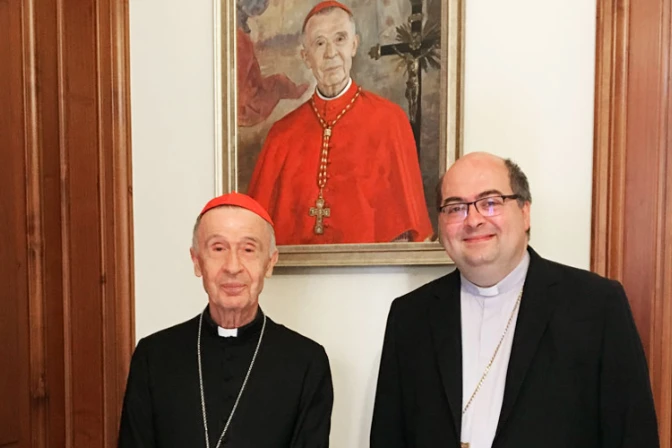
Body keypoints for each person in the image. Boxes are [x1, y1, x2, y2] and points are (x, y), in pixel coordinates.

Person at [370, 152, 659, 448]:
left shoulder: (596, 306)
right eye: (455, 208)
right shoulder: (409, 316)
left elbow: (633, 435)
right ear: (441, 224)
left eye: (490, 203)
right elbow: (388, 438)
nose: (473, 220)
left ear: (525, 212)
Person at [118, 193, 333, 447]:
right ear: (197, 262)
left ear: (269, 263)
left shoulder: (307, 362)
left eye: (248, 249)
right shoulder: (153, 356)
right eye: (218, 248)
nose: (232, 266)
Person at [247, 0, 432, 245]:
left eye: (340, 39)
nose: (330, 53)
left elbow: (410, 231)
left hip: (370, 277)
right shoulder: (281, 135)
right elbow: (255, 235)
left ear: (354, 45)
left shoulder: (390, 121)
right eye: (320, 43)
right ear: (306, 56)